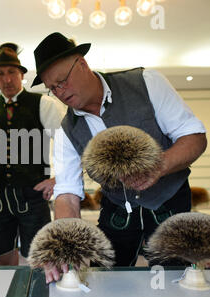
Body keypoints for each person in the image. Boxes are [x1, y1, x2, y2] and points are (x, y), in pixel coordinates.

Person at [31, 32, 207, 282]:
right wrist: (66, 245)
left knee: (175, 277)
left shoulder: (146, 83)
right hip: (116, 210)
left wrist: (160, 166)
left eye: (62, 81)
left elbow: (195, 138)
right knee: (105, 277)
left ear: (82, 64)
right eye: (52, 89)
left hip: (169, 202)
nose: (60, 92)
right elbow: (67, 194)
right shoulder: (66, 131)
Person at [0, 43, 66, 265]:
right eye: (1, 74)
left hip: (33, 195)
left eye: (12, 73)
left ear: (22, 75)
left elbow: (69, 143)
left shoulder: (44, 104)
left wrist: (59, 179)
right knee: (3, 259)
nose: (7, 79)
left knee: (41, 259)